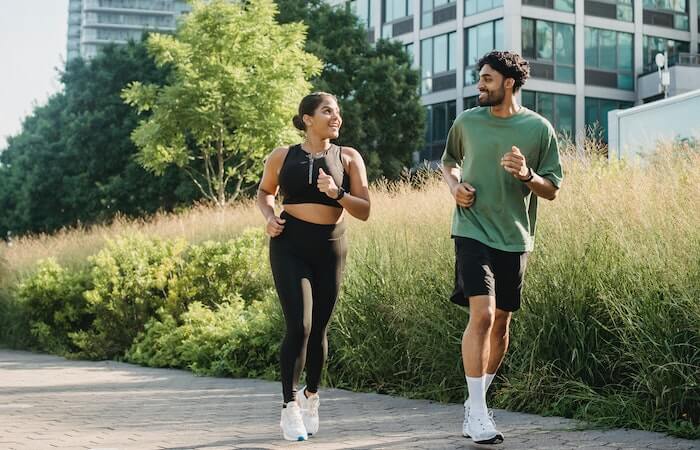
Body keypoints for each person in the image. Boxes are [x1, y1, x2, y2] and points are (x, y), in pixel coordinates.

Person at [440, 51, 563, 445]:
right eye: (480, 78)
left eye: (488, 79)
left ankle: (476, 402)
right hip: (472, 231)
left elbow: (552, 189)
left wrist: (527, 174)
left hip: (515, 237)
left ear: (509, 82)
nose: (480, 85)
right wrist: (455, 188)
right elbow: (449, 162)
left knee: (503, 322)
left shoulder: (539, 129)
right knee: (483, 314)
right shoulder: (466, 122)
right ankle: (478, 412)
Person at [257, 92, 371, 441]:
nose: (336, 117)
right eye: (327, 111)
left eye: (337, 112)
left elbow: (364, 209)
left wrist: (337, 193)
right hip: (289, 245)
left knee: (319, 327)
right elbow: (264, 193)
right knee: (300, 325)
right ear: (307, 118)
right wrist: (269, 218)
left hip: (330, 247)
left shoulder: (349, 157)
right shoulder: (282, 156)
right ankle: (289, 406)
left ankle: (311, 395)